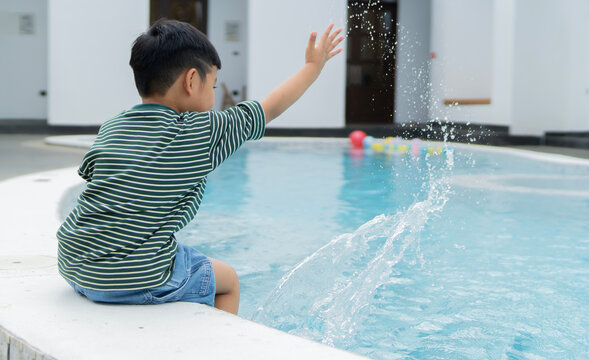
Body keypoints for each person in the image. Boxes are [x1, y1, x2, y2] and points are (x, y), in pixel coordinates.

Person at [56, 19, 343, 315]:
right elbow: (269, 107)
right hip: (132, 278)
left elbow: (96, 181)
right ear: (192, 80)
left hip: (74, 263)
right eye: (214, 85)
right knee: (228, 280)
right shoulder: (199, 131)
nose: (215, 95)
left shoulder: (113, 126)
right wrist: (313, 67)